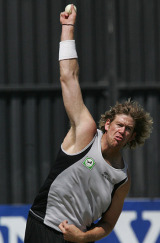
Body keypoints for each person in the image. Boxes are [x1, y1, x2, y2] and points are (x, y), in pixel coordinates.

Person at [24, 5, 153, 243]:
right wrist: (67, 28)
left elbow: (108, 223)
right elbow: (68, 77)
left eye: (128, 129)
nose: (122, 130)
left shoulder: (122, 179)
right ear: (107, 123)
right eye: (119, 124)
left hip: (77, 239)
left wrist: (83, 237)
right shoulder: (85, 132)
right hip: (44, 226)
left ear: (132, 137)